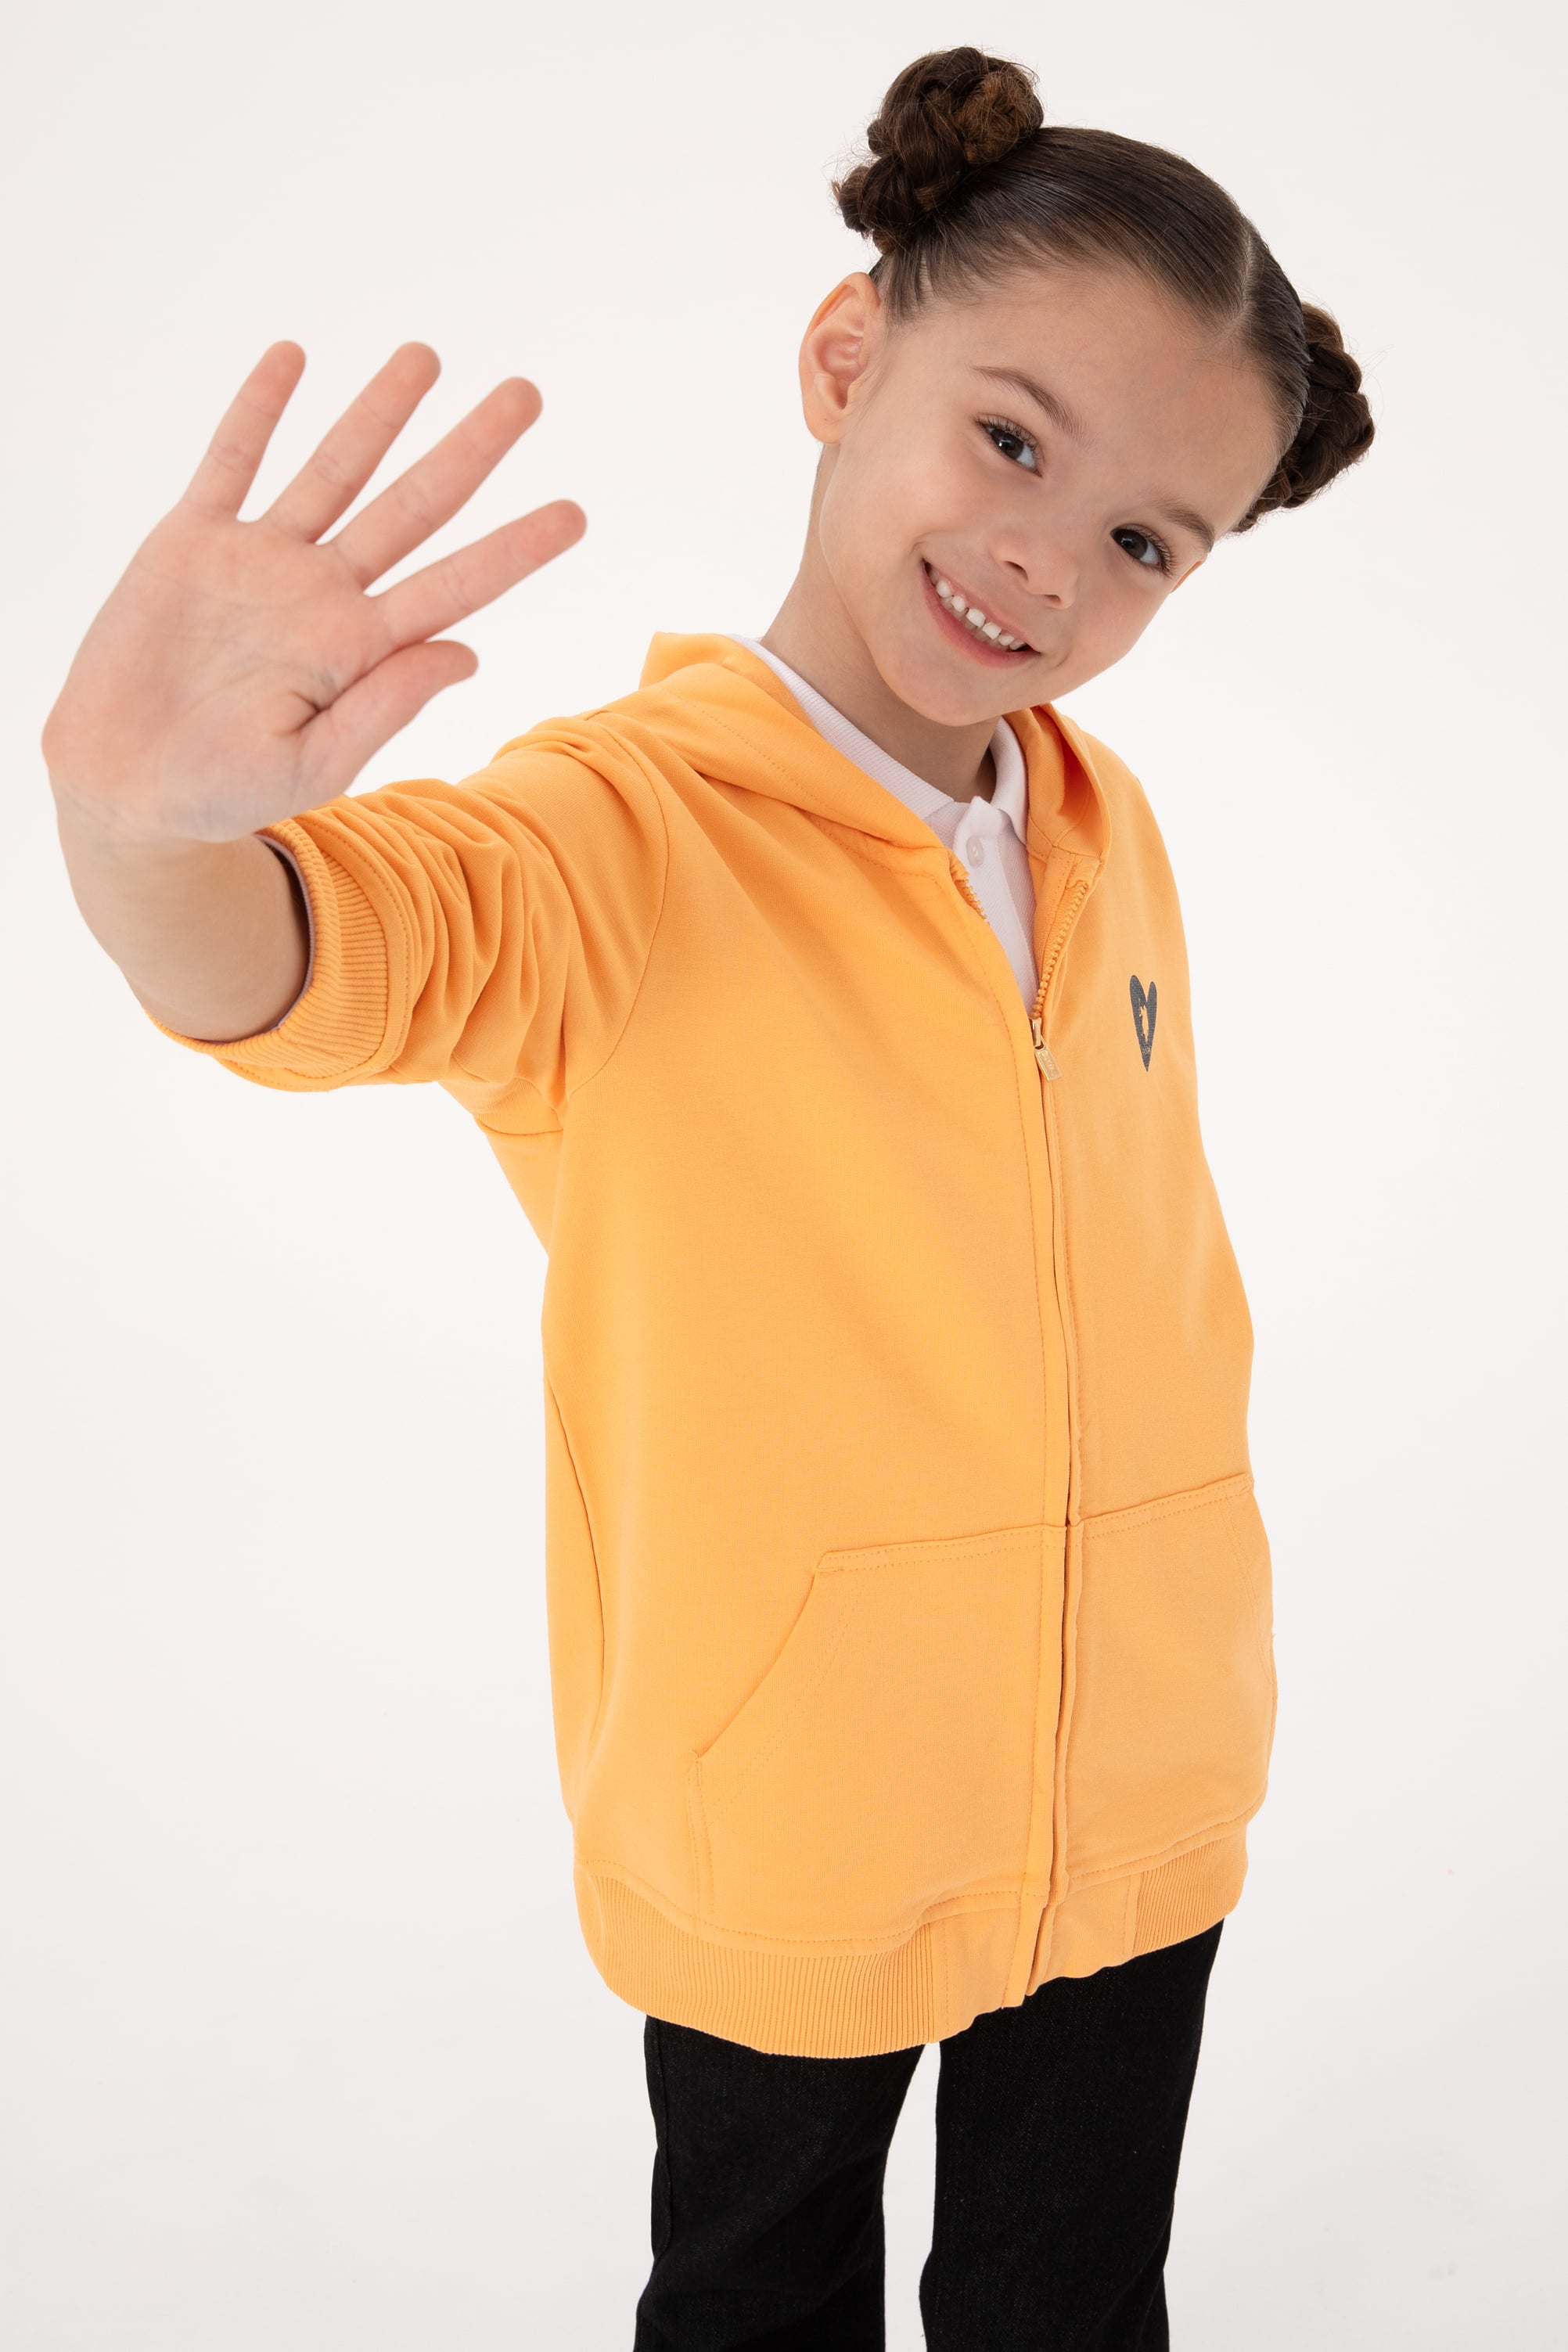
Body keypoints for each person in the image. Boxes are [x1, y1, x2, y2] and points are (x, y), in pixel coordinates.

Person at [43, 45, 1374, 2350]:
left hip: (1147, 1770)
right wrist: (139, 829)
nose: (1049, 558)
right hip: (793, 1805)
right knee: (758, 2303)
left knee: (1075, 2304)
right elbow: (308, 958)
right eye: (1011, 439)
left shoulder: (1100, 824)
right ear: (847, 359)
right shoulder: (610, 839)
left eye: (1146, 542)